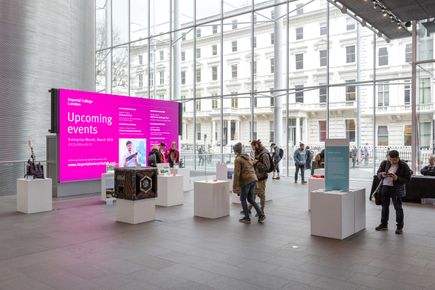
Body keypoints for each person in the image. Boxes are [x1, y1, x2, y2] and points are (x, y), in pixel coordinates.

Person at [375, 150, 411, 234]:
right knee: (384, 207)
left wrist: (397, 178)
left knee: (398, 208)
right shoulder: (384, 163)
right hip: (385, 188)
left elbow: (408, 179)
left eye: (394, 160)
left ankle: (399, 227)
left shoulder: (404, 165)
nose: (392, 161)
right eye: (390, 159)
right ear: (388, 157)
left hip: (396, 189)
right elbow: (378, 173)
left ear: (398, 158)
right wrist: (382, 174)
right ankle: (384, 225)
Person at [232, 142, 265, 224]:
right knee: (250, 198)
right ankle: (261, 214)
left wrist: (234, 187)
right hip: (253, 179)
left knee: (243, 199)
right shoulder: (247, 157)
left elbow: (237, 174)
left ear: (235, 151)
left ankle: (247, 218)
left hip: (246, 180)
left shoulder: (238, 159)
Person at [249, 140, 270, 215]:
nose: (252, 148)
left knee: (261, 194)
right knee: (252, 193)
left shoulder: (264, 154)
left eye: (253, 146)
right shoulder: (257, 152)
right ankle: (249, 209)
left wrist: (257, 163)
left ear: (256, 145)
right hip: (255, 177)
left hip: (261, 178)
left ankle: (261, 210)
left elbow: (267, 167)